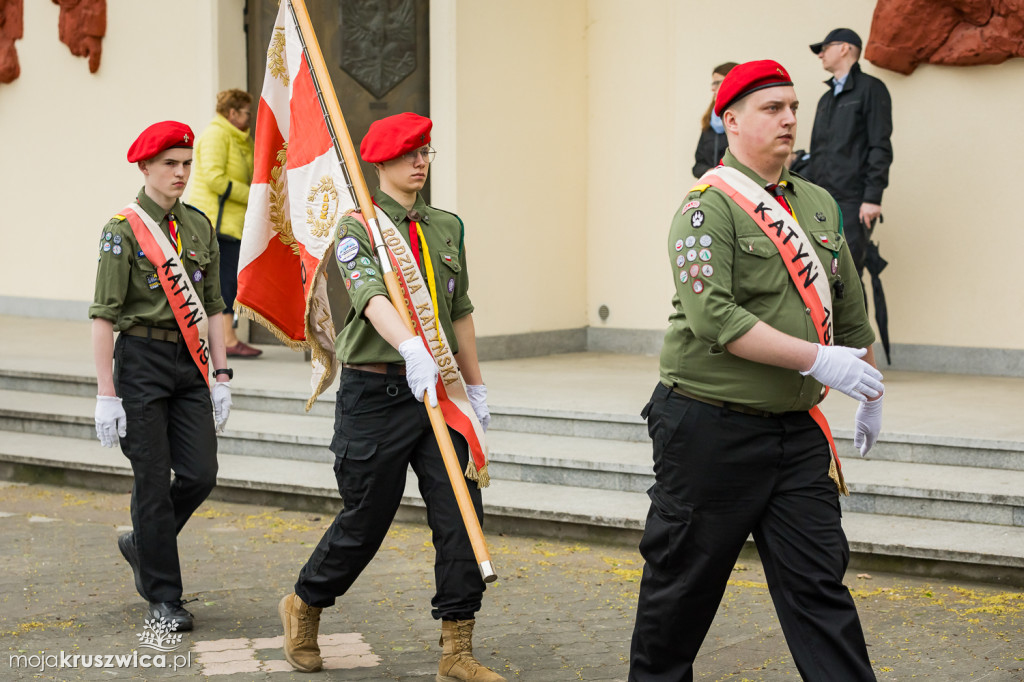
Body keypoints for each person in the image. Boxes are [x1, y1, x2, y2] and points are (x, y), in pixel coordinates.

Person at [628, 61, 885, 681]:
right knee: (681, 594)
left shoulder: (819, 205)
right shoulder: (706, 208)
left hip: (796, 435)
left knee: (820, 589)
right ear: (731, 120)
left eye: (794, 106)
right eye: (772, 108)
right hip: (710, 429)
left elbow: (848, 308)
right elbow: (715, 318)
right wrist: (817, 360)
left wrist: (871, 386)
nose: (790, 119)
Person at [277, 112, 504, 681]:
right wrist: (411, 349)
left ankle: (456, 648)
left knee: (460, 512)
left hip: (439, 392)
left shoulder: (446, 226)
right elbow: (370, 294)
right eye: (409, 155)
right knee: (366, 519)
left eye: (426, 152)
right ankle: (305, 604)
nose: (420, 163)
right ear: (380, 164)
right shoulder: (359, 228)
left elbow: (461, 312)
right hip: (377, 390)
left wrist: (473, 385)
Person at [90, 121, 233, 631]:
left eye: (187, 164)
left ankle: (141, 543)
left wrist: (221, 374)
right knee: (152, 482)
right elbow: (104, 315)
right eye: (170, 164)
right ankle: (165, 598)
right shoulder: (123, 230)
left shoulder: (198, 226)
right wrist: (106, 392)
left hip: (191, 364)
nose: (180, 173)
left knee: (199, 474)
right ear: (145, 167)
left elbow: (214, 306)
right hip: (141, 365)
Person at [807, 28, 893, 278]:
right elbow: (818, 150)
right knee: (822, 276)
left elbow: (880, 145)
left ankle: (856, 320)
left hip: (853, 203)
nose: (820, 54)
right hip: (821, 200)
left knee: (848, 277)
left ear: (844, 48)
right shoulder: (825, 99)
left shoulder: (871, 89)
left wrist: (872, 198)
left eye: (825, 48)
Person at [189, 88, 261, 357]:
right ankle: (227, 340)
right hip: (216, 224)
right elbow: (214, 179)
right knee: (224, 281)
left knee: (227, 280)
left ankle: (223, 337)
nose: (250, 118)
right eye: (246, 113)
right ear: (232, 113)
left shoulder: (240, 139)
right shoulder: (216, 135)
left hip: (233, 223)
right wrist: (253, 196)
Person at [692, 62, 738, 178]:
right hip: (713, 188)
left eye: (717, 83)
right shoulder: (710, 121)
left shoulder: (744, 121)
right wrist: (710, 171)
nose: (713, 88)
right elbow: (697, 166)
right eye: (712, 83)